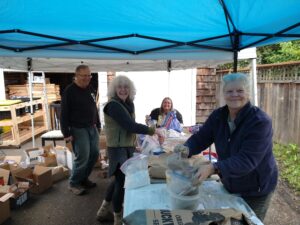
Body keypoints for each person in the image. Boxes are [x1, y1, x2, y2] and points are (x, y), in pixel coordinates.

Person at [182, 73, 278, 222]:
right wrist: (186, 148)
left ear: (248, 93)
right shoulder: (218, 116)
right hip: (230, 182)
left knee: (249, 221)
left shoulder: (260, 121)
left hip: (256, 188)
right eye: (229, 91)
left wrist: (213, 168)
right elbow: (202, 137)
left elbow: (247, 160)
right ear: (223, 94)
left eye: (240, 91)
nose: (234, 95)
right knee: (229, 220)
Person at [96, 75, 164, 225]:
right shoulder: (113, 106)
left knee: (117, 179)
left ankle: (102, 210)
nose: (123, 90)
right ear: (114, 89)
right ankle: (118, 218)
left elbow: (130, 126)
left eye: (126, 87)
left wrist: (135, 144)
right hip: (117, 149)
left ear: (130, 89)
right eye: (119, 87)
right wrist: (153, 131)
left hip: (126, 147)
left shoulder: (128, 103)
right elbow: (130, 126)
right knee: (122, 181)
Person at [60, 65, 101, 195]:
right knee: (82, 156)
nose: (87, 78)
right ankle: (74, 183)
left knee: (94, 154)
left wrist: (98, 124)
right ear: (76, 76)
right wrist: (66, 133)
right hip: (77, 128)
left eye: (89, 75)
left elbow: (94, 107)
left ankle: (83, 179)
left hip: (92, 127)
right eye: (84, 75)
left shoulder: (90, 88)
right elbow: (64, 113)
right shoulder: (69, 91)